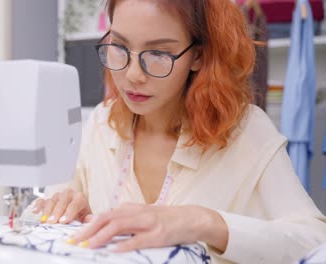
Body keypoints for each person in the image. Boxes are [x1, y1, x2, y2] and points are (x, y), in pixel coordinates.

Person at [31, 0, 326, 263]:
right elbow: (34, 221)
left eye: (158, 53)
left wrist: (203, 222)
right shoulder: (101, 123)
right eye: (120, 47)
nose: (133, 74)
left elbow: (315, 240)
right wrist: (61, 209)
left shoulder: (246, 131)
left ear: (198, 55)